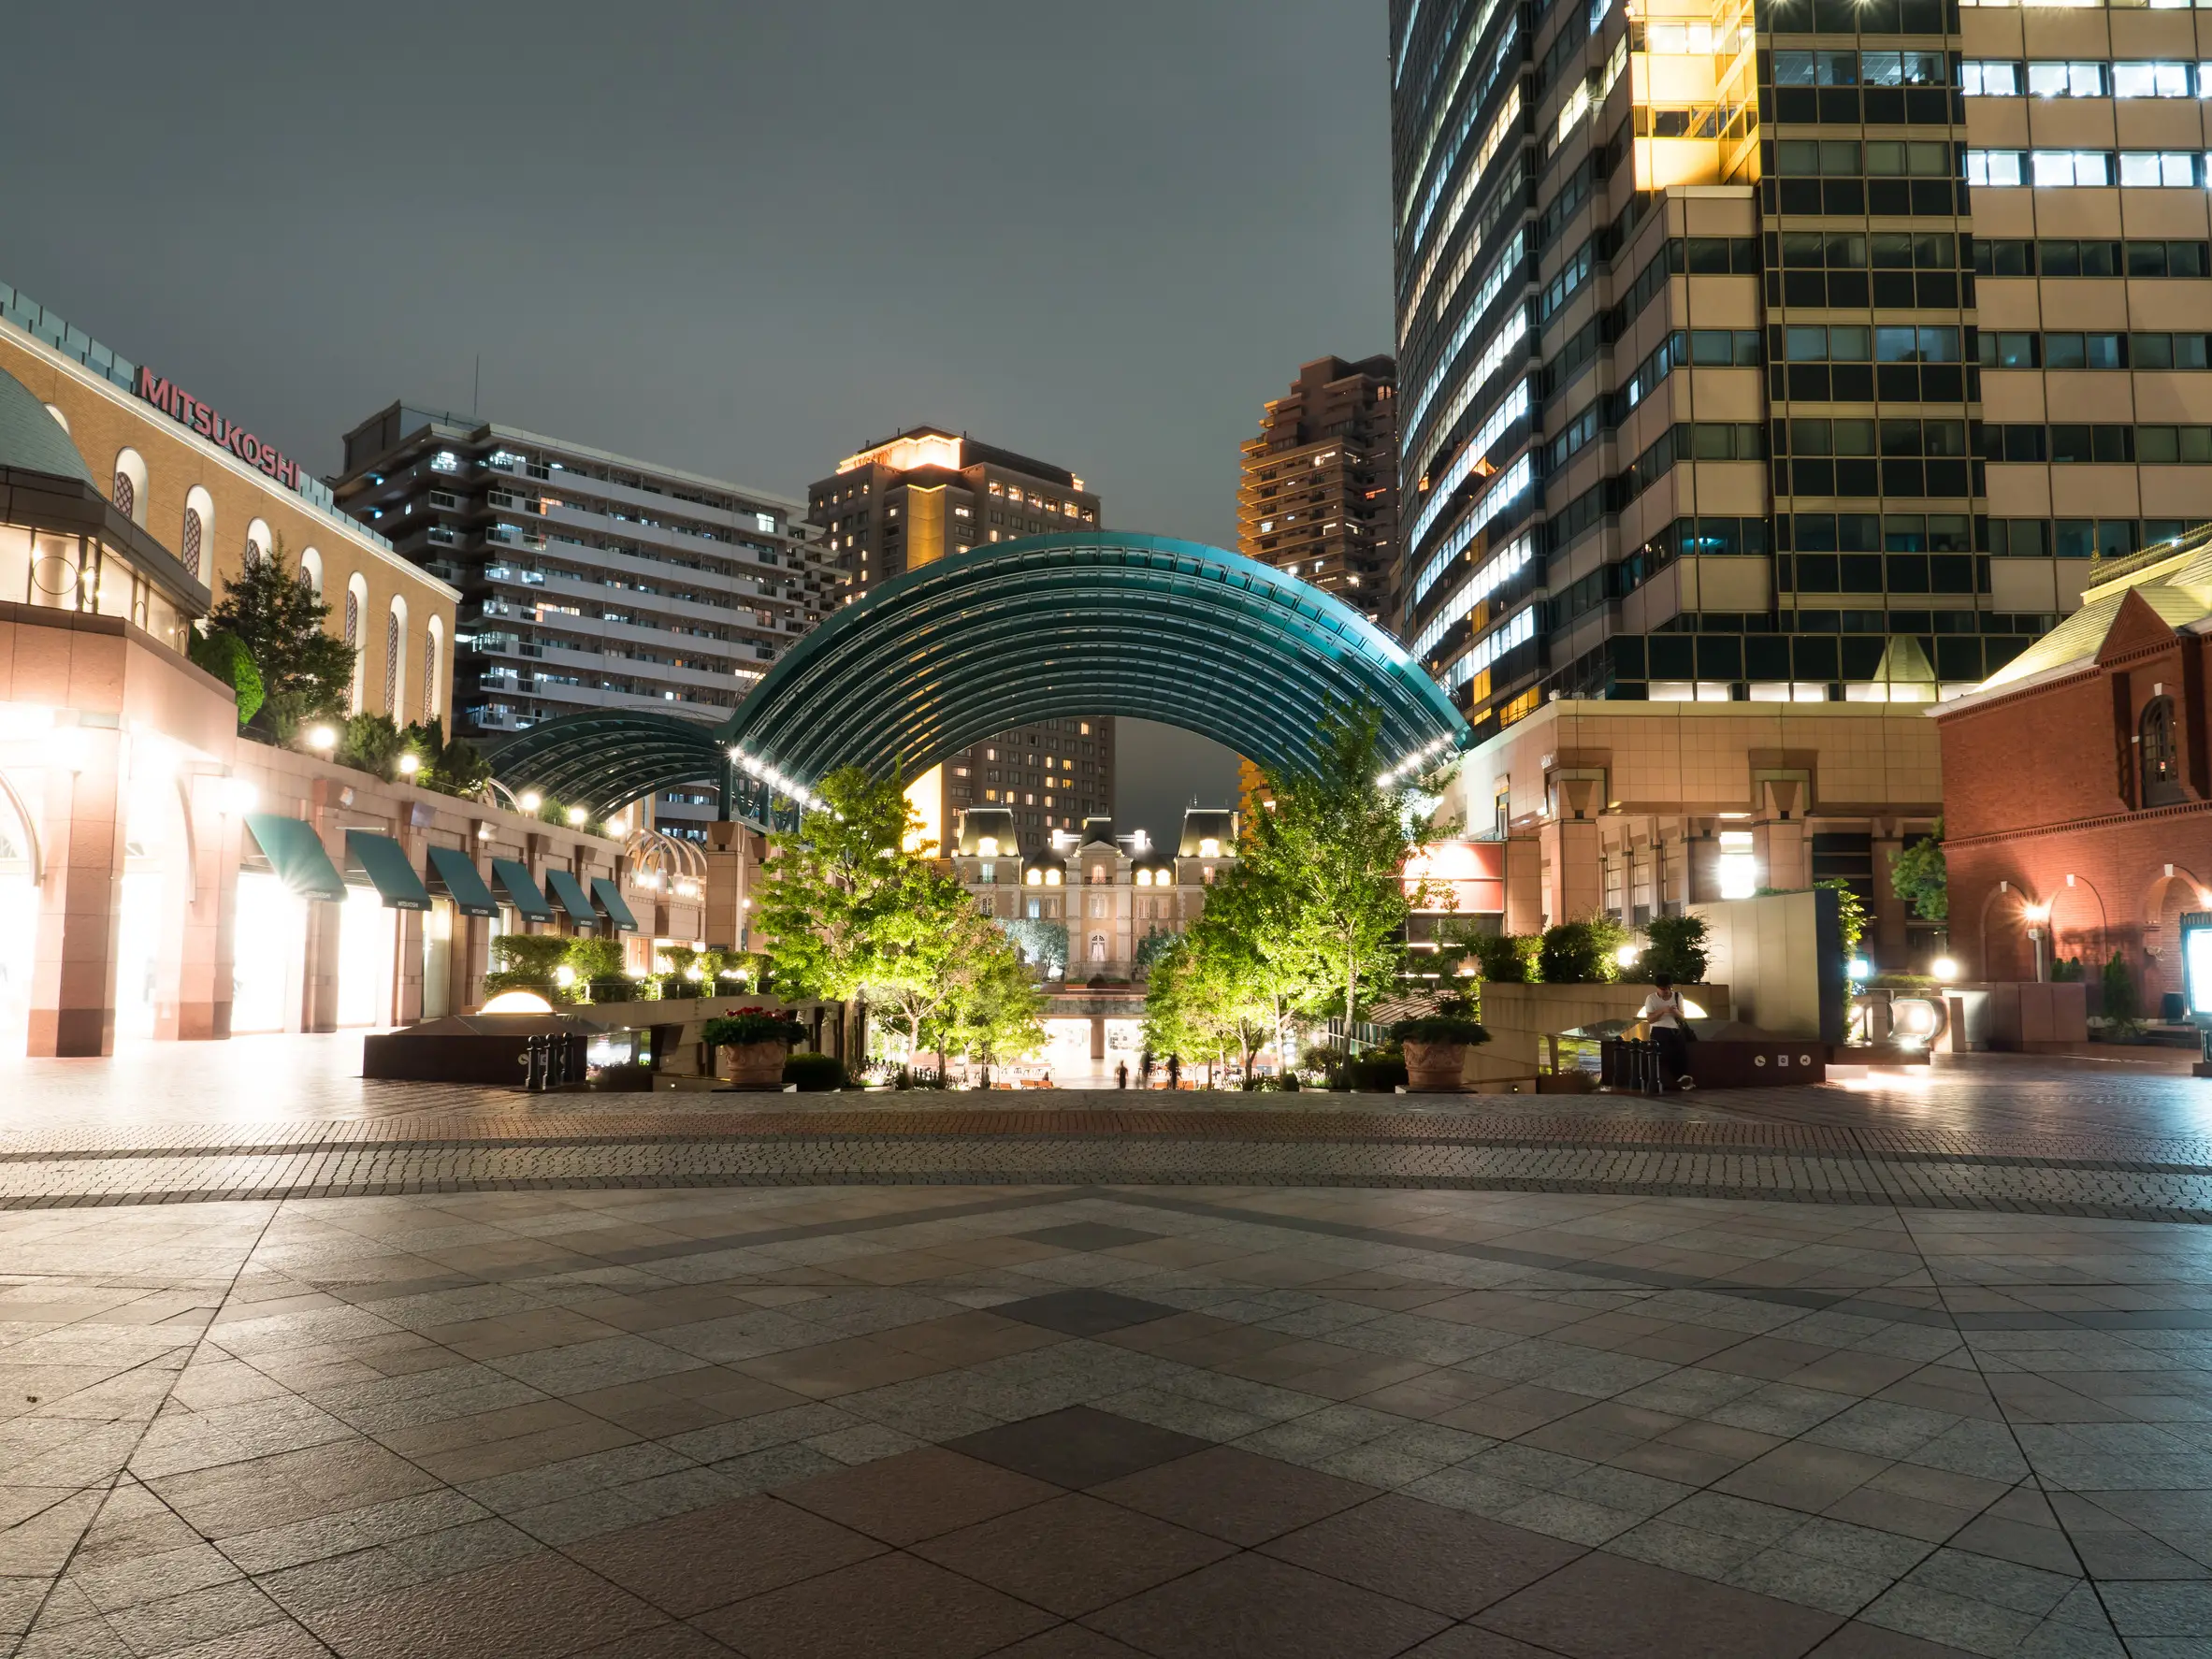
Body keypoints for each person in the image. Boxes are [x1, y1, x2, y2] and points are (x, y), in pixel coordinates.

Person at [1638, 974, 1697, 1091]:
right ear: (1658, 988)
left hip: (1675, 1030)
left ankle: (1683, 1079)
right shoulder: (1651, 998)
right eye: (1663, 989)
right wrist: (1663, 1010)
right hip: (1659, 1030)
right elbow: (1650, 1019)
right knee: (1662, 1056)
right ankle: (1667, 1081)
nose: (1667, 991)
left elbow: (1682, 1017)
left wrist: (1674, 1011)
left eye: (1669, 988)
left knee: (1680, 1055)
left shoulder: (1677, 996)